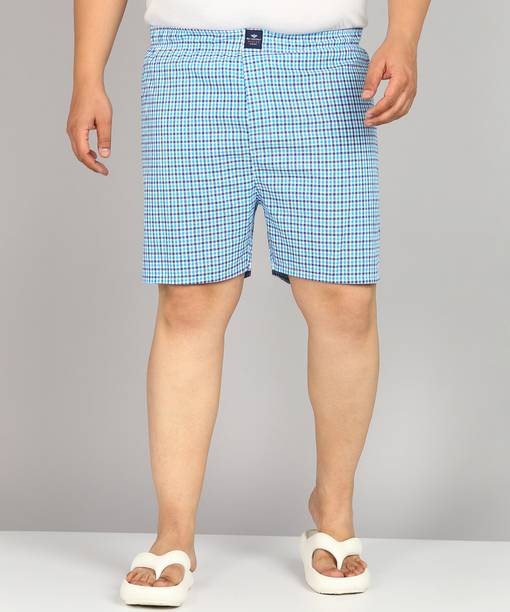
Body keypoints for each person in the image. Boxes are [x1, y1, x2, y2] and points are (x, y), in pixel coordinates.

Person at [67, 0, 430, 606]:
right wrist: (87, 74)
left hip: (326, 70)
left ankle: (334, 510)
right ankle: (173, 533)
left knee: (343, 299)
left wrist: (406, 36)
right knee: (190, 300)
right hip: (190, 66)